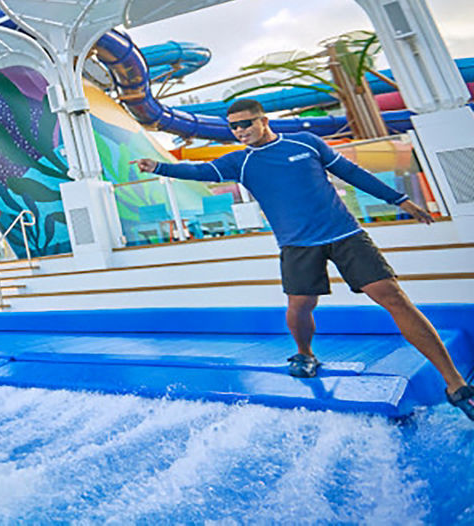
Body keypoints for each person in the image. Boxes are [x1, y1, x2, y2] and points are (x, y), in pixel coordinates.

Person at [135, 97, 474, 420]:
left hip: (346, 235)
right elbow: (199, 172)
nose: (240, 131)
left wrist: (400, 199)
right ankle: (305, 354)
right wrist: (159, 167)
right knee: (301, 305)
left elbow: (352, 174)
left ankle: (455, 384)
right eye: (234, 128)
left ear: (263, 119)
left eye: (246, 124)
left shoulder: (306, 143)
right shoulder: (241, 162)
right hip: (298, 246)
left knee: (394, 297)